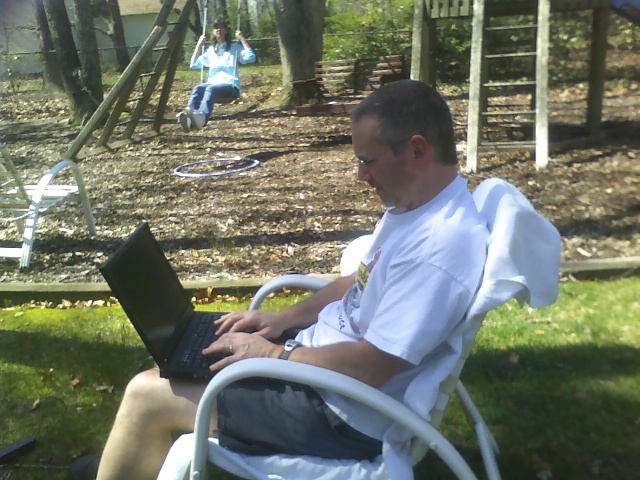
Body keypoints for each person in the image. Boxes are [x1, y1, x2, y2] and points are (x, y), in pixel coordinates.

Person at [94, 79, 489, 480]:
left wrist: (270, 355)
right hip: (320, 377)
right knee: (182, 358)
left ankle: (136, 443)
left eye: (367, 161)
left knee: (146, 394)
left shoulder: (437, 249)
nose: (360, 176)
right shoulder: (417, 210)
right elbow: (360, 281)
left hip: (343, 415)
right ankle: (137, 453)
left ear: (417, 150)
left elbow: (372, 368)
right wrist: (281, 321)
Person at [177, 18, 255, 132]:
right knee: (198, 88)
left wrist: (241, 38)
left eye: (221, 27)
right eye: (216, 27)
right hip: (213, 84)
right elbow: (193, 64)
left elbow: (250, 58)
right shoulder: (210, 51)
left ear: (226, 30)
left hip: (230, 85)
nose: (219, 30)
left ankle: (202, 117)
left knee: (210, 88)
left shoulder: (234, 48)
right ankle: (188, 115)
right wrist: (199, 45)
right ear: (213, 31)